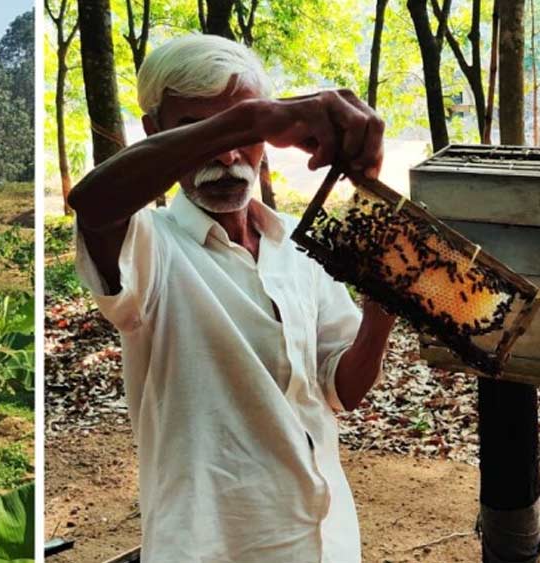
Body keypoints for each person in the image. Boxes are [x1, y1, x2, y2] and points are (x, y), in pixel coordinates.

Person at [68, 34, 397, 562]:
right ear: (154, 132)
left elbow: (342, 388)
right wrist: (252, 120)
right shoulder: (148, 243)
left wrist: (386, 299)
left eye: (245, 133)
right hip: (209, 544)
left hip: (323, 539)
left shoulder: (297, 242)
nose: (226, 154)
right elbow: (91, 205)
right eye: (194, 129)